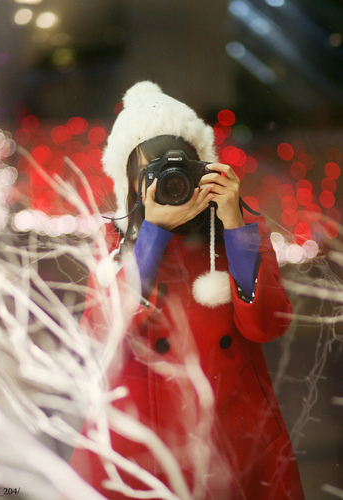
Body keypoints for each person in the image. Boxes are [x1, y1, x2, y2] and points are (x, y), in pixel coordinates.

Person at [69, 81, 305, 499]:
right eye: (155, 173)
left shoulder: (241, 229)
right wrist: (152, 235)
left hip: (233, 438)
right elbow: (102, 334)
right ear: (131, 183)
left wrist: (233, 224)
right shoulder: (112, 240)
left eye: (181, 169)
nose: (172, 182)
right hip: (141, 444)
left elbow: (267, 326)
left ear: (205, 168)